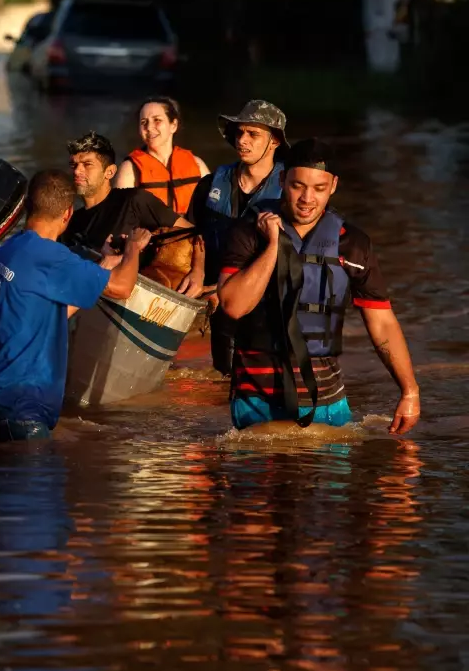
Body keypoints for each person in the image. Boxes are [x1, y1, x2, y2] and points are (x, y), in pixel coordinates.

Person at [217, 138, 420, 434]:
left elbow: (382, 322)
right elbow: (233, 306)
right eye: (298, 186)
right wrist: (273, 245)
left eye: (319, 189)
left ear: (334, 185)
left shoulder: (353, 245)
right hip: (256, 401)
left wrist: (409, 391)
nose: (307, 198)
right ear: (283, 178)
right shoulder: (248, 232)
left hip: (329, 402)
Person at [0, 169, 151, 442]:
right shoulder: (50, 255)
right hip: (23, 403)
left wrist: (104, 264)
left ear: (27, 207)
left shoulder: (9, 250)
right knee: (36, 479)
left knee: (11, 478)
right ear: (68, 213)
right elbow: (122, 288)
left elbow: (46, 314)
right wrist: (134, 250)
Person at [185, 99, 288, 376]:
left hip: (267, 306)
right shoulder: (210, 184)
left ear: (275, 141)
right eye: (240, 132)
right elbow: (194, 234)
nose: (243, 140)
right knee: (224, 383)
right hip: (219, 301)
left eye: (253, 134)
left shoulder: (291, 191)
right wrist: (197, 271)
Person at [59, 131, 205, 298]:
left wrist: (198, 272)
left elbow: (194, 233)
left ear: (110, 172)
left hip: (138, 300)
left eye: (87, 164)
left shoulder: (134, 201)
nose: (77, 171)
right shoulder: (71, 222)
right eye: (73, 165)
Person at [114, 97, 210, 215]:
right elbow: (120, 218)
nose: (149, 128)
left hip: (193, 232)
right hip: (153, 233)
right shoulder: (129, 169)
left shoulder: (197, 164)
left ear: (173, 125)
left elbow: (215, 209)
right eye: (144, 122)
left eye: (157, 120)